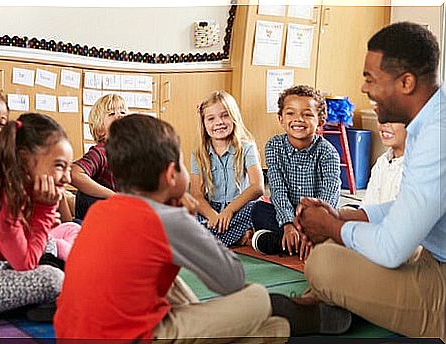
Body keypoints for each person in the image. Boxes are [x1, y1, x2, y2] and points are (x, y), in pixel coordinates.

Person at [54, 114, 352, 340]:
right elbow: (232, 280)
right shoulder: (170, 219)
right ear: (172, 174)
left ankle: (287, 326)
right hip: (137, 338)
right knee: (258, 299)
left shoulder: (102, 212)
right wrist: (185, 216)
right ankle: (305, 320)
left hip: (71, 335)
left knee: (273, 328)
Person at [293, 22, 446, 340]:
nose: (364, 89)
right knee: (340, 239)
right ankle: (332, 306)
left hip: (440, 282)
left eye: (370, 78)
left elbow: (392, 249)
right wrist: (350, 216)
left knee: (324, 262)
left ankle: (330, 305)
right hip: (431, 255)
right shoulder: (428, 120)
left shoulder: (437, 135)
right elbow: (416, 204)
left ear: (406, 83)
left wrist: (331, 226)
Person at [0, 113, 76, 319]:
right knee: (53, 279)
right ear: (25, 158)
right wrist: (45, 209)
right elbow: (23, 264)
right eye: (60, 166)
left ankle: (57, 272)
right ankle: (55, 284)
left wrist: (38, 215)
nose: (68, 177)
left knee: (61, 235)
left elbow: (6, 251)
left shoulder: (8, 181)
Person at [251, 85, 341, 260]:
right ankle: (303, 245)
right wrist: (287, 224)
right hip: (286, 215)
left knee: (346, 218)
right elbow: (277, 189)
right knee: (258, 209)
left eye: (307, 114)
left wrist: (311, 229)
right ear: (281, 119)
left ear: (320, 121)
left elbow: (328, 198)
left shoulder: (328, 152)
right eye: (291, 113)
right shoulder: (273, 146)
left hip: (317, 220)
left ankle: (282, 244)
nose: (298, 119)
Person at [190, 91, 264, 247]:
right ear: (204, 123)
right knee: (184, 214)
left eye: (225, 115)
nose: (219, 122)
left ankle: (209, 240)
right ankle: (236, 236)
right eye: (211, 118)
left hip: (239, 208)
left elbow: (257, 187)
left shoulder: (247, 147)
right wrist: (212, 216)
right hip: (211, 210)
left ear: (234, 117)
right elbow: (196, 194)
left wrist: (229, 211)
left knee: (257, 208)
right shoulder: (198, 154)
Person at [71, 93, 128, 220]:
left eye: (123, 112)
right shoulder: (101, 151)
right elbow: (74, 173)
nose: (119, 116)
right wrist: (112, 195)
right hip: (100, 218)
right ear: (99, 128)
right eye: (111, 114)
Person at [361, 121, 406, 205]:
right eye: (381, 116)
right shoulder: (382, 162)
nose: (385, 123)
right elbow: (369, 206)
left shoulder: (422, 169)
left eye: (394, 117)